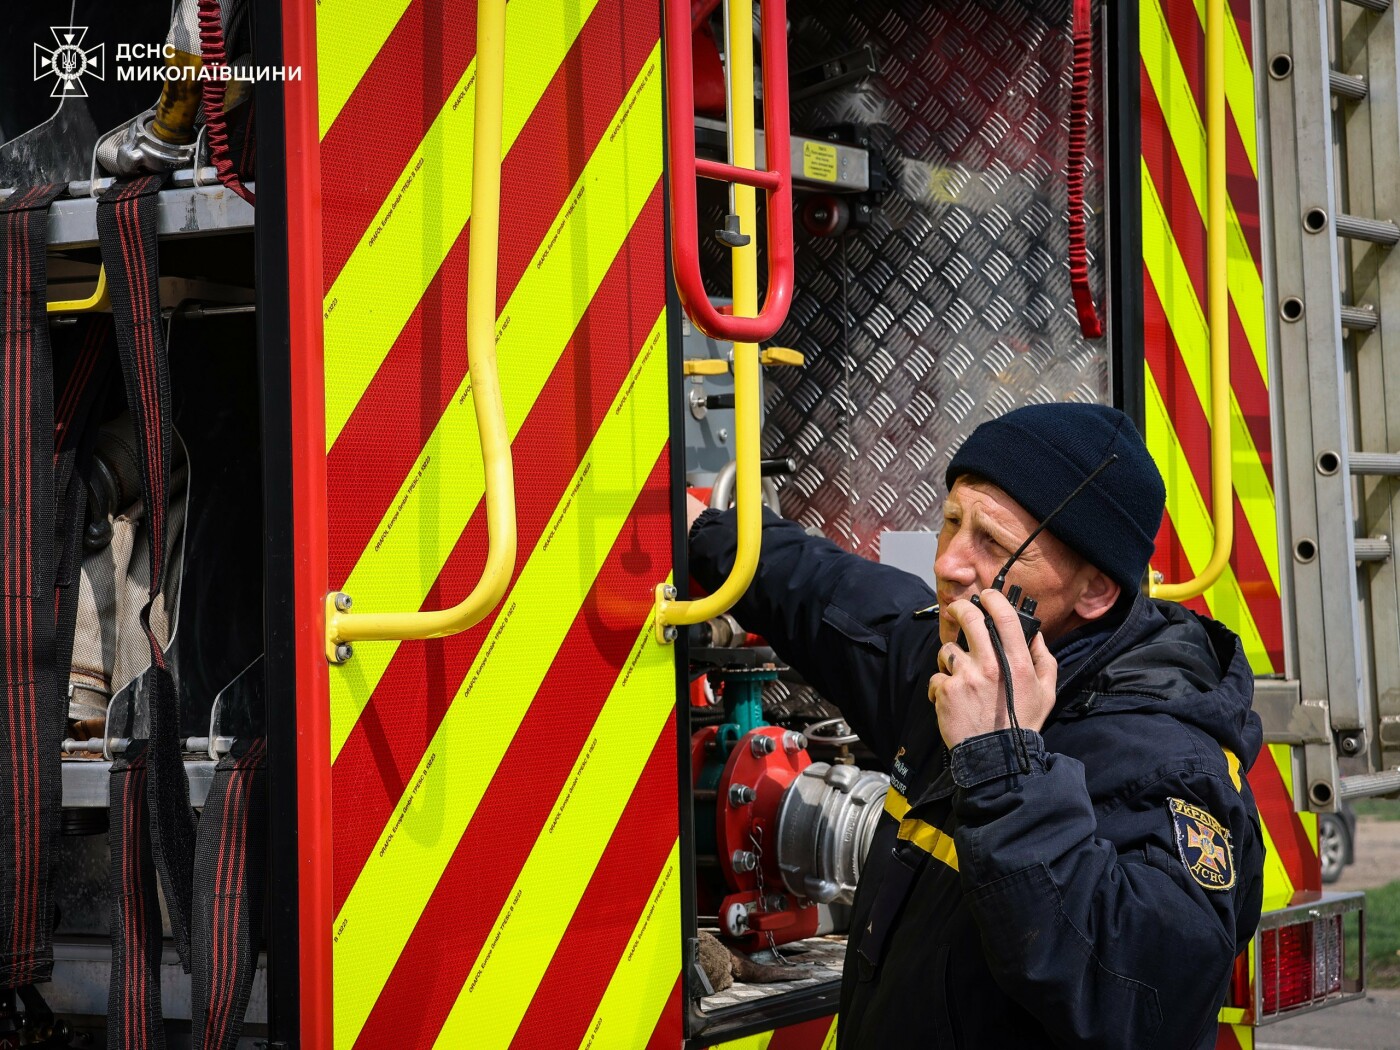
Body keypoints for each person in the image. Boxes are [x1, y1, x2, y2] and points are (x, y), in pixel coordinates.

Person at [687, 402, 1265, 1049]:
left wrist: (1002, 762)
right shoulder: (956, 661)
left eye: (993, 543)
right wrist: (708, 532)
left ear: (1095, 591)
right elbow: (835, 597)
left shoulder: (1169, 761)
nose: (949, 563)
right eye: (951, 522)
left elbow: (1144, 1005)